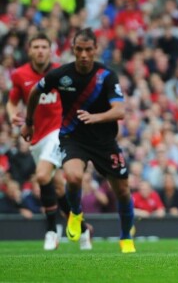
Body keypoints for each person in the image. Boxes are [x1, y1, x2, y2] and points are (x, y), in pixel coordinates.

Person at [21, 28, 135, 253]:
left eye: (88, 50)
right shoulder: (60, 75)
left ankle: (125, 238)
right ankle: (75, 212)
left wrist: (96, 117)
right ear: (73, 49)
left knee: (122, 191)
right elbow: (35, 91)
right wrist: (29, 121)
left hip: (104, 141)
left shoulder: (106, 76)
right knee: (73, 176)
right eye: (79, 49)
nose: (83, 54)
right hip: (73, 138)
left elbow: (120, 111)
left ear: (95, 50)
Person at [7, 32, 92, 251]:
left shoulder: (61, 73)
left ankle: (52, 231)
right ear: (29, 50)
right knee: (57, 187)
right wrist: (11, 114)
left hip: (59, 132)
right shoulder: (19, 74)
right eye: (36, 47)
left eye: (44, 46)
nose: (40, 51)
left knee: (42, 175)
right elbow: (12, 101)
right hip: (36, 136)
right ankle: (82, 229)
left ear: (50, 49)